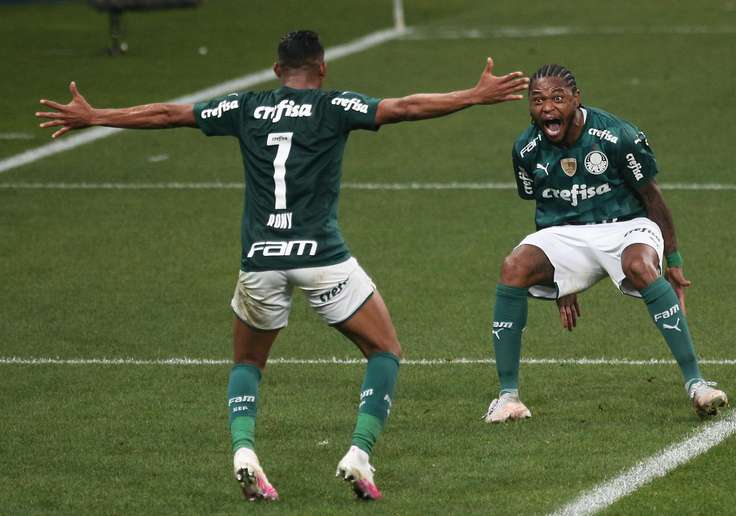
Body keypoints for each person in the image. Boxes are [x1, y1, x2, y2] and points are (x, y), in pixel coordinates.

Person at [37, 30, 530, 501]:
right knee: (385, 350)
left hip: (261, 261)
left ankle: (244, 449)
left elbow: (169, 114)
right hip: (321, 257)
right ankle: (359, 452)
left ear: (277, 70)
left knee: (248, 363)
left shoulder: (244, 106)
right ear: (322, 66)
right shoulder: (334, 105)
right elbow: (403, 107)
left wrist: (96, 114)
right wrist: (472, 94)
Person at [483, 64, 728, 424]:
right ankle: (507, 398)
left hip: (627, 225)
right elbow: (548, 209)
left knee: (640, 267)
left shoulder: (618, 136)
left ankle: (697, 383)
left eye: (557, 98)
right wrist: (561, 282)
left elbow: (652, 196)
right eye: (537, 100)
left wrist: (672, 259)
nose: (547, 108)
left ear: (577, 99)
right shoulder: (526, 149)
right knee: (513, 266)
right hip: (570, 231)